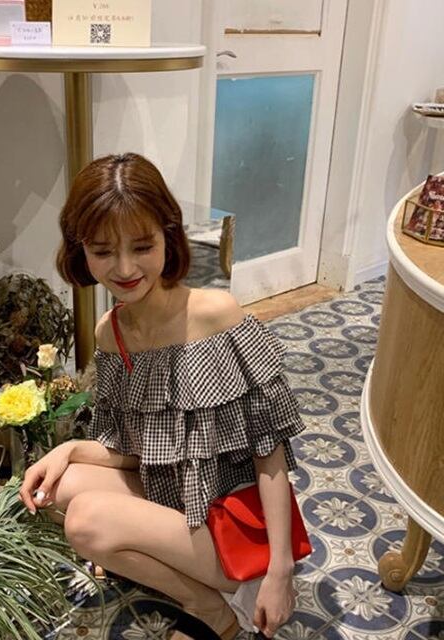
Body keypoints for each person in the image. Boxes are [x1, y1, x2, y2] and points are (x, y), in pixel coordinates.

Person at [18, 153, 306, 639]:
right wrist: (67, 450)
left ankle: (220, 604)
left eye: (142, 246)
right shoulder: (110, 333)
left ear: (168, 238)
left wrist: (281, 570)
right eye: (103, 251)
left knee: (85, 519)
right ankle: (201, 599)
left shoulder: (216, 315)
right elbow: (138, 453)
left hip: (232, 528)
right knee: (61, 487)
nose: (125, 268)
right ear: (81, 250)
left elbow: (269, 451)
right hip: (175, 505)